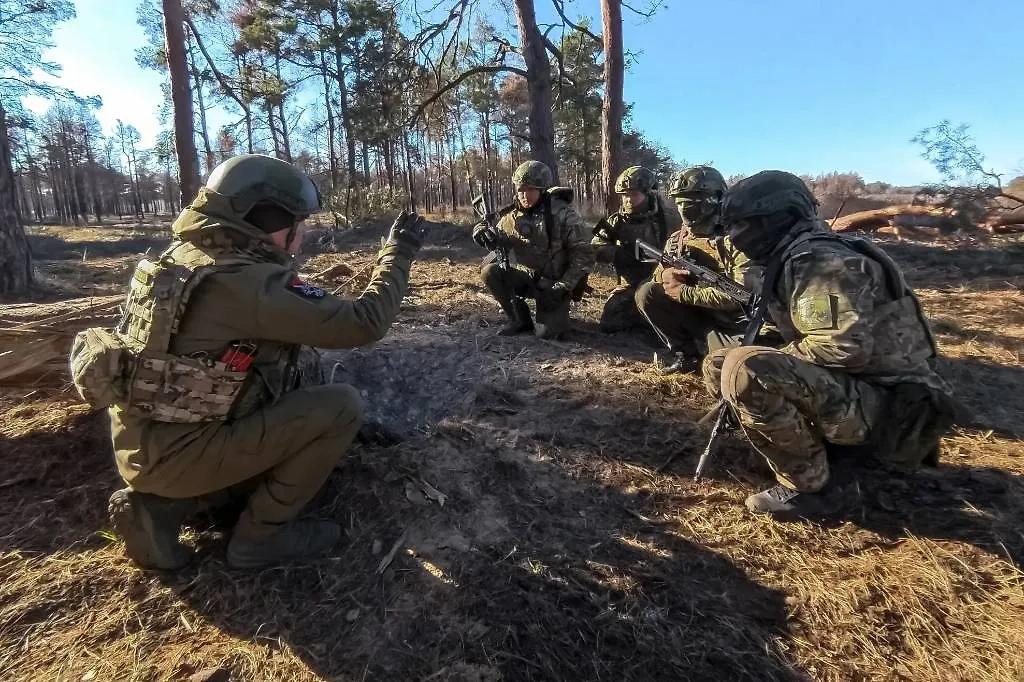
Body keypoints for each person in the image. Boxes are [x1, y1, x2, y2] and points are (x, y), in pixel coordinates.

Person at [71, 153, 428, 570]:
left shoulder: (181, 259)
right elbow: (364, 323)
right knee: (340, 406)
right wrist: (398, 253)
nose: (302, 235)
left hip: (144, 448)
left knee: (288, 389)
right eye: (299, 223)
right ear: (269, 220)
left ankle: (160, 509)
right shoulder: (246, 283)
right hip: (184, 454)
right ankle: (261, 539)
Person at [703, 170, 956, 519]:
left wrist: (766, 359)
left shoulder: (821, 262)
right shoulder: (794, 255)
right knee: (721, 362)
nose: (733, 236)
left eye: (740, 225)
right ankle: (812, 450)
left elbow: (841, 347)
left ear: (775, 219)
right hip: (870, 391)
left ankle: (812, 488)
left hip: (897, 410)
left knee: (747, 369)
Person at [634, 165, 759, 373]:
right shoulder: (678, 239)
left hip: (736, 327)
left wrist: (684, 293)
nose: (685, 208)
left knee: (744, 368)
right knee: (646, 293)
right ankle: (686, 354)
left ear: (716, 199)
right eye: (680, 202)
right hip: (700, 320)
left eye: (692, 201)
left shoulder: (738, 240)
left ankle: (710, 353)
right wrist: (665, 275)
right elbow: (659, 277)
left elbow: (743, 297)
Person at [472, 160, 594, 339]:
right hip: (526, 278)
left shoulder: (562, 214)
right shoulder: (509, 218)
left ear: (542, 189)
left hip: (554, 285)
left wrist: (563, 286)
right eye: (521, 190)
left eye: (530, 190)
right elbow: (496, 245)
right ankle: (518, 319)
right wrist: (481, 234)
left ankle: (551, 315)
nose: (524, 195)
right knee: (490, 271)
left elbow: (584, 254)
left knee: (547, 333)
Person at [590, 166, 681, 333]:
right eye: (624, 195)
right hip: (630, 285)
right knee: (610, 323)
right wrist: (615, 254)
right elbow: (595, 246)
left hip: (664, 283)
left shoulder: (669, 219)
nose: (628, 200)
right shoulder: (616, 220)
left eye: (634, 194)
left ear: (649, 194)